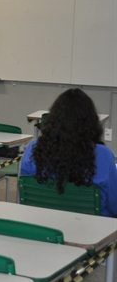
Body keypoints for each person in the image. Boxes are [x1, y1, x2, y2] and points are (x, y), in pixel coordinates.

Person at [20, 88, 117, 217]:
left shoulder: (34, 148)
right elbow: (113, 205)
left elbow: (26, 194)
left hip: (44, 224)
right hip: (93, 229)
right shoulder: (103, 155)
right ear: (91, 122)